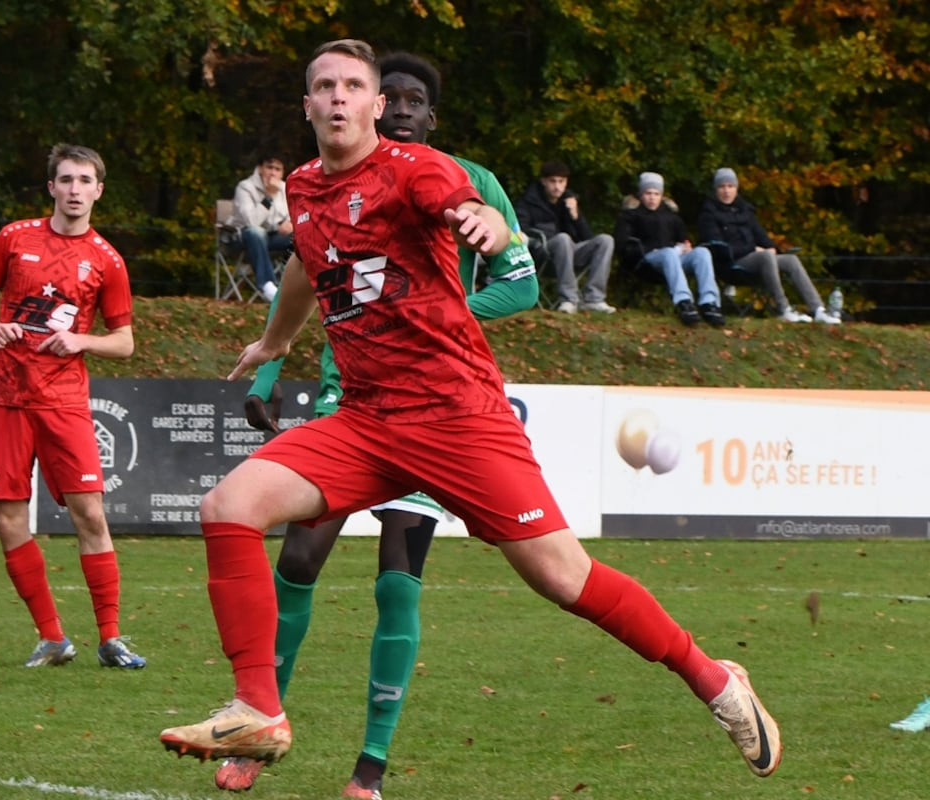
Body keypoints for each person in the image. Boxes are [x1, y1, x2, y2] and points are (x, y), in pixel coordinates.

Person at [159, 37, 781, 790]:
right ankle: (259, 708)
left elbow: (460, 202)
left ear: (376, 105)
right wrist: (274, 340)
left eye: (352, 85)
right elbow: (302, 262)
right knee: (229, 506)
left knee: (564, 579)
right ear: (308, 106)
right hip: (364, 419)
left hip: (457, 417)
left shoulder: (416, 168)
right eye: (323, 86)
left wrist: (485, 221)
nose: (337, 97)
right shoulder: (303, 187)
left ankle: (716, 682)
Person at [214, 50, 539, 800]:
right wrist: (268, 370)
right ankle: (261, 734)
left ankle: (370, 767)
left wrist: (432, 318)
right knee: (297, 559)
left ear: (433, 114)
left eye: (412, 99)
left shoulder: (471, 181)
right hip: (350, 402)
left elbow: (521, 287)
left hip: (437, 404)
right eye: (382, 94)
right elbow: (303, 271)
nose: (396, 107)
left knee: (398, 582)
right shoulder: (327, 179)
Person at [0, 143, 146, 670]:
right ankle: (52, 637)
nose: (74, 190)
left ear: (98, 190)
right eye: (65, 180)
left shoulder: (107, 260)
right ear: (51, 188)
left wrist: (82, 342)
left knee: (90, 513)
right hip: (6, 397)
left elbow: (125, 342)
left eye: (84, 181)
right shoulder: (14, 238)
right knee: (9, 519)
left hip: (64, 402)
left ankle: (110, 638)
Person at [696, 168, 840, 324]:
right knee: (765, 256)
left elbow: (761, 235)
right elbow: (719, 249)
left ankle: (818, 309)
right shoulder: (708, 214)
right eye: (722, 186)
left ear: (736, 188)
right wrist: (754, 249)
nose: (726, 191)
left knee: (790, 260)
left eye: (730, 186)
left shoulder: (745, 210)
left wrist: (771, 247)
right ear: (716, 189)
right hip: (731, 265)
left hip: (757, 259)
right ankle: (783, 308)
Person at [614, 171, 725, 327]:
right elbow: (622, 243)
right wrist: (646, 251)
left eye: (656, 193)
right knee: (668, 253)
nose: (652, 197)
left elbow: (684, 238)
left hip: (674, 257)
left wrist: (686, 245)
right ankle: (684, 302)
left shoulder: (671, 216)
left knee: (702, 252)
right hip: (646, 260)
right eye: (648, 193)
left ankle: (710, 303)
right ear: (641, 194)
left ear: (662, 195)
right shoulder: (630, 215)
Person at [515, 161, 616, 314]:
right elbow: (522, 233)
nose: (557, 186)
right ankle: (569, 299)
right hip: (543, 254)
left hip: (572, 252)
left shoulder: (568, 201)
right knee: (563, 238)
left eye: (561, 181)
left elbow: (587, 237)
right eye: (553, 181)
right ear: (543, 181)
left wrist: (576, 217)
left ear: (566, 182)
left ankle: (593, 299)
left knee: (605, 240)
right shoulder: (528, 202)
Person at [229, 154, 294, 302]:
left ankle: (295, 288)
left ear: (282, 172)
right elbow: (251, 221)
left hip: (273, 237)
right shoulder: (245, 187)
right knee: (256, 232)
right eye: (269, 167)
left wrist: (291, 223)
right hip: (244, 238)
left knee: (302, 236)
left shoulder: (285, 188)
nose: (273, 173)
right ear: (260, 168)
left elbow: (297, 212)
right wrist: (269, 196)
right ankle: (268, 286)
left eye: (277, 169)